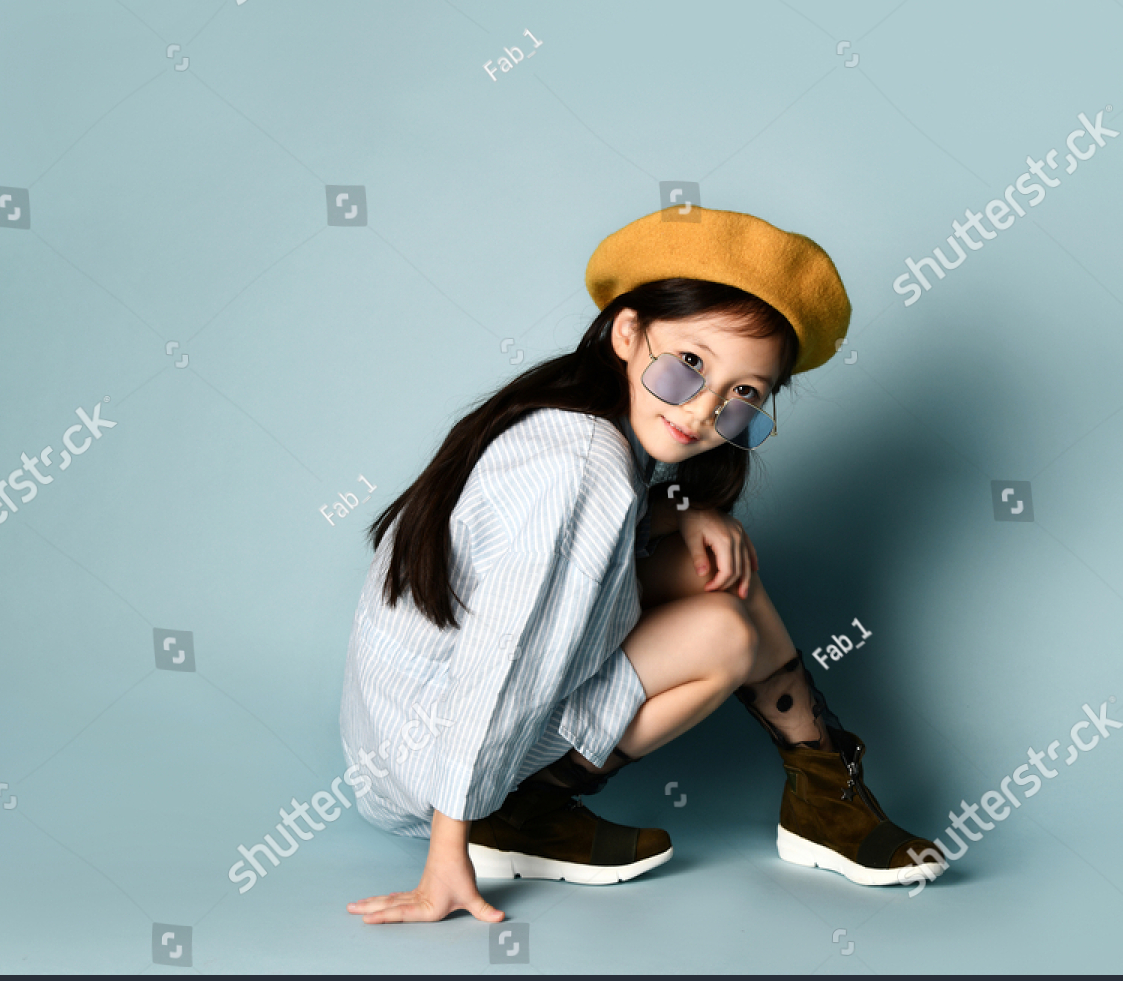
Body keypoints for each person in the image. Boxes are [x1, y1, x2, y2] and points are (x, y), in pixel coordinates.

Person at [343, 207, 947, 925]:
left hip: (400, 736)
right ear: (627, 332)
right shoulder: (583, 468)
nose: (702, 411)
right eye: (689, 363)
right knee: (726, 633)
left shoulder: (574, 424)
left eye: (743, 395)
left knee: (713, 571)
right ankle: (516, 818)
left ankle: (821, 790)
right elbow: (504, 663)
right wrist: (450, 851)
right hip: (435, 765)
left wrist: (680, 514)